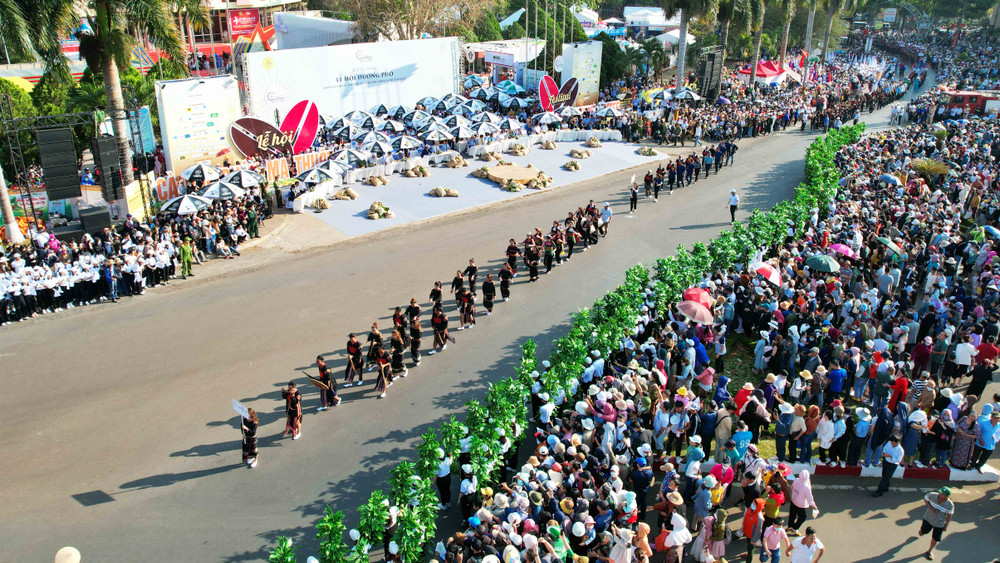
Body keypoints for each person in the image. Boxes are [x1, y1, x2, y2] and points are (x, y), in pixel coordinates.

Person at [918, 487, 954, 560]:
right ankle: (922, 531)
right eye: (940, 492)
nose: (940, 495)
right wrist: (930, 507)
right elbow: (925, 499)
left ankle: (929, 551)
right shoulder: (932, 495)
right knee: (923, 532)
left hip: (939, 523)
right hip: (928, 519)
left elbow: (949, 515)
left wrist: (946, 525)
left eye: (942, 494)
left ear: (947, 496)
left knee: (935, 538)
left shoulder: (950, 505)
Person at [788, 470, 817, 535]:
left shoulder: (796, 480)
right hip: (801, 504)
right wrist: (814, 506)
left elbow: (792, 487)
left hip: (793, 500)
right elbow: (810, 498)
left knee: (792, 514)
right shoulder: (807, 487)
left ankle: (790, 526)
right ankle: (795, 528)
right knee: (802, 517)